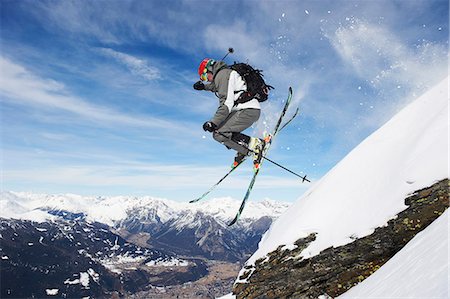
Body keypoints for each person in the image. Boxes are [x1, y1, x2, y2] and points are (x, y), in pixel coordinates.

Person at [193, 58, 264, 168]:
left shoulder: (222, 75)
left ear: (210, 70)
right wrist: (204, 87)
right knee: (218, 133)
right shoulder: (224, 74)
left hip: (248, 110)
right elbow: (217, 86)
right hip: (246, 110)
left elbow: (226, 103)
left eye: (204, 76)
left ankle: (256, 144)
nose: (206, 80)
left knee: (219, 133)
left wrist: (213, 122)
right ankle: (244, 148)